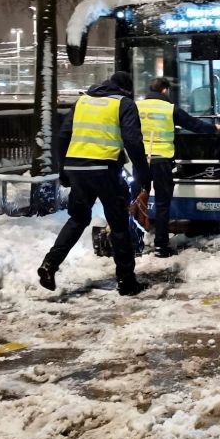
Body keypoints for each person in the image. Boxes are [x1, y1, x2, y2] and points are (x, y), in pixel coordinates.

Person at [37, 71, 152, 296]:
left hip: (78, 170)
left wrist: (64, 169)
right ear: (127, 90)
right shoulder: (124, 104)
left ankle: (50, 264)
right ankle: (127, 283)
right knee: (119, 225)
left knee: (78, 219)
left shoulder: (83, 101)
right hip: (105, 170)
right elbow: (133, 141)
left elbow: (63, 135)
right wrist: (144, 175)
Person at [138, 77, 220, 258]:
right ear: (165, 91)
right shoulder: (169, 109)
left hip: (140, 161)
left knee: (138, 201)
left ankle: (134, 241)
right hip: (161, 162)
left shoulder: (136, 107)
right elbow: (194, 125)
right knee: (162, 204)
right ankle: (161, 246)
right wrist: (214, 129)